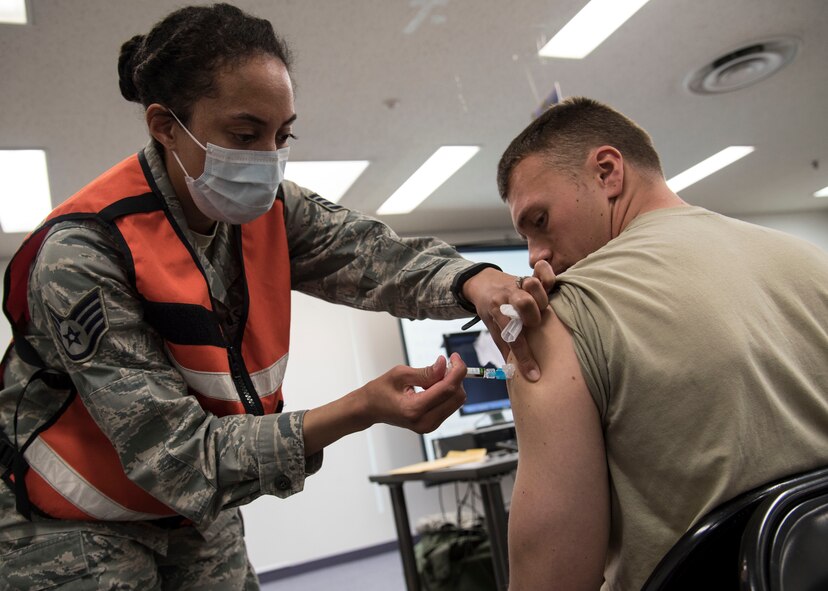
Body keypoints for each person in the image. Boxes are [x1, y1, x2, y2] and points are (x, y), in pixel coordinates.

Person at [0, 4, 553, 589]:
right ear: (164, 125)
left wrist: (474, 281)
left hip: (193, 512)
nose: (267, 159)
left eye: (281, 135)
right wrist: (362, 407)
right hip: (65, 519)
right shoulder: (84, 253)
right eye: (244, 135)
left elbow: (374, 257)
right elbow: (176, 457)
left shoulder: (271, 211)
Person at [498, 97, 828, 590]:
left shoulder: (562, 317)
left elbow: (551, 581)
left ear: (608, 172)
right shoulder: (812, 262)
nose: (535, 256)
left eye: (539, 221)